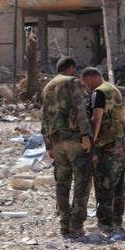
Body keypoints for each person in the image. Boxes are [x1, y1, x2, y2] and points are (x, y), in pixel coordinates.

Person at [41, 56, 92, 236]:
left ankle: (64, 224)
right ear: (71, 69)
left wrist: (48, 144)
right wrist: (86, 135)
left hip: (56, 141)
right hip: (73, 139)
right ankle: (76, 225)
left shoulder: (47, 88)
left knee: (62, 183)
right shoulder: (72, 82)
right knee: (82, 180)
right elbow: (80, 109)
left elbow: (44, 117)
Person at [81, 66, 125, 232]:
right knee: (117, 182)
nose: (86, 87)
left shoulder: (98, 93)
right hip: (119, 143)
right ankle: (117, 220)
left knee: (104, 182)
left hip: (105, 145)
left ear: (90, 79)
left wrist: (91, 145)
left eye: (86, 84)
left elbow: (96, 118)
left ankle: (105, 222)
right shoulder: (114, 90)